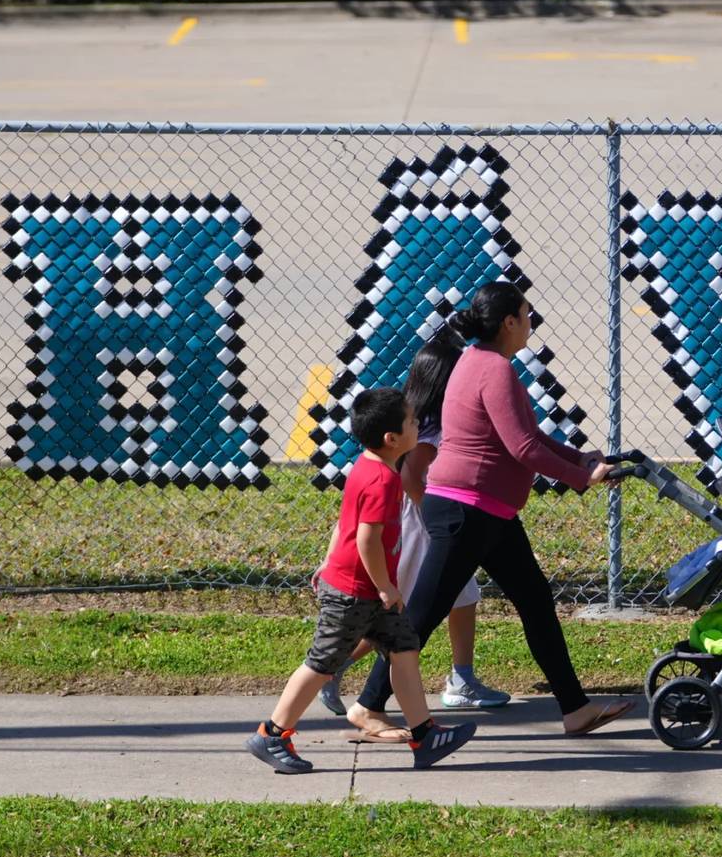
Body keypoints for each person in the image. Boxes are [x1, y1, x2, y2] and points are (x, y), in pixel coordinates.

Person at [346, 282, 635, 740]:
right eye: (526, 314)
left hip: (488, 513)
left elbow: (527, 436)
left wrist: (579, 458)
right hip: (466, 512)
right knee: (421, 614)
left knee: (536, 601)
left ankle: (575, 709)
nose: (530, 324)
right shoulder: (494, 370)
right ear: (508, 322)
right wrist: (582, 478)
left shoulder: (479, 362)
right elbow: (522, 448)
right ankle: (366, 704)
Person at [248, 388, 477, 772]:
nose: (417, 423)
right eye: (411, 421)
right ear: (392, 439)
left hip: (366, 590)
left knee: (405, 647)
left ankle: (424, 735)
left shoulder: (369, 465)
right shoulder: (383, 482)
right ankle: (272, 734)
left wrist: (328, 561)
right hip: (355, 593)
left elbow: (345, 524)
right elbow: (368, 539)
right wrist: (387, 586)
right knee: (322, 663)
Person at [318, 327, 513, 715]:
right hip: (419, 524)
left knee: (463, 598)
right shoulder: (429, 427)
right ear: (446, 382)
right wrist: (434, 519)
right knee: (401, 612)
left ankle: (463, 677)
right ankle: (334, 667)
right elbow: (410, 479)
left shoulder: (418, 417)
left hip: (426, 519)